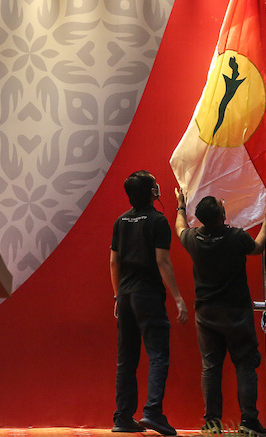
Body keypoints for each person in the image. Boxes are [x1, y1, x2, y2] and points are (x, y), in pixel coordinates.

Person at [174, 188, 266, 437]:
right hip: (236, 313)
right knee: (245, 365)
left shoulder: (193, 238)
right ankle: (249, 422)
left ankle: (212, 423)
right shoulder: (236, 237)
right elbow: (258, 248)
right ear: (222, 215)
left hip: (206, 313)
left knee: (211, 367)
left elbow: (179, 226)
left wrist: (180, 205)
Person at [110, 171, 188, 435]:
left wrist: (117, 296)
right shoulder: (158, 221)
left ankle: (122, 417)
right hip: (148, 295)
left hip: (126, 294)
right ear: (151, 192)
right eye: (155, 185)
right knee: (158, 355)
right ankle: (153, 412)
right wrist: (178, 298)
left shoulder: (120, 221)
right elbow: (162, 261)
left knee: (126, 359)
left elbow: (113, 262)